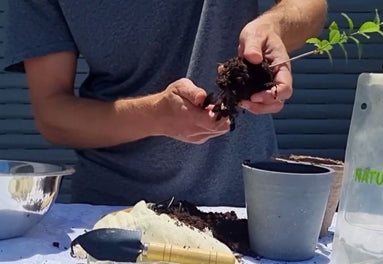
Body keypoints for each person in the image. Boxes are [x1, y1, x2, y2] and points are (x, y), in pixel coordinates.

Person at [4, 0, 327, 206]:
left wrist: (274, 25)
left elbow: (308, 6)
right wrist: (154, 116)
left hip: (243, 203)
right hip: (115, 214)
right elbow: (53, 114)